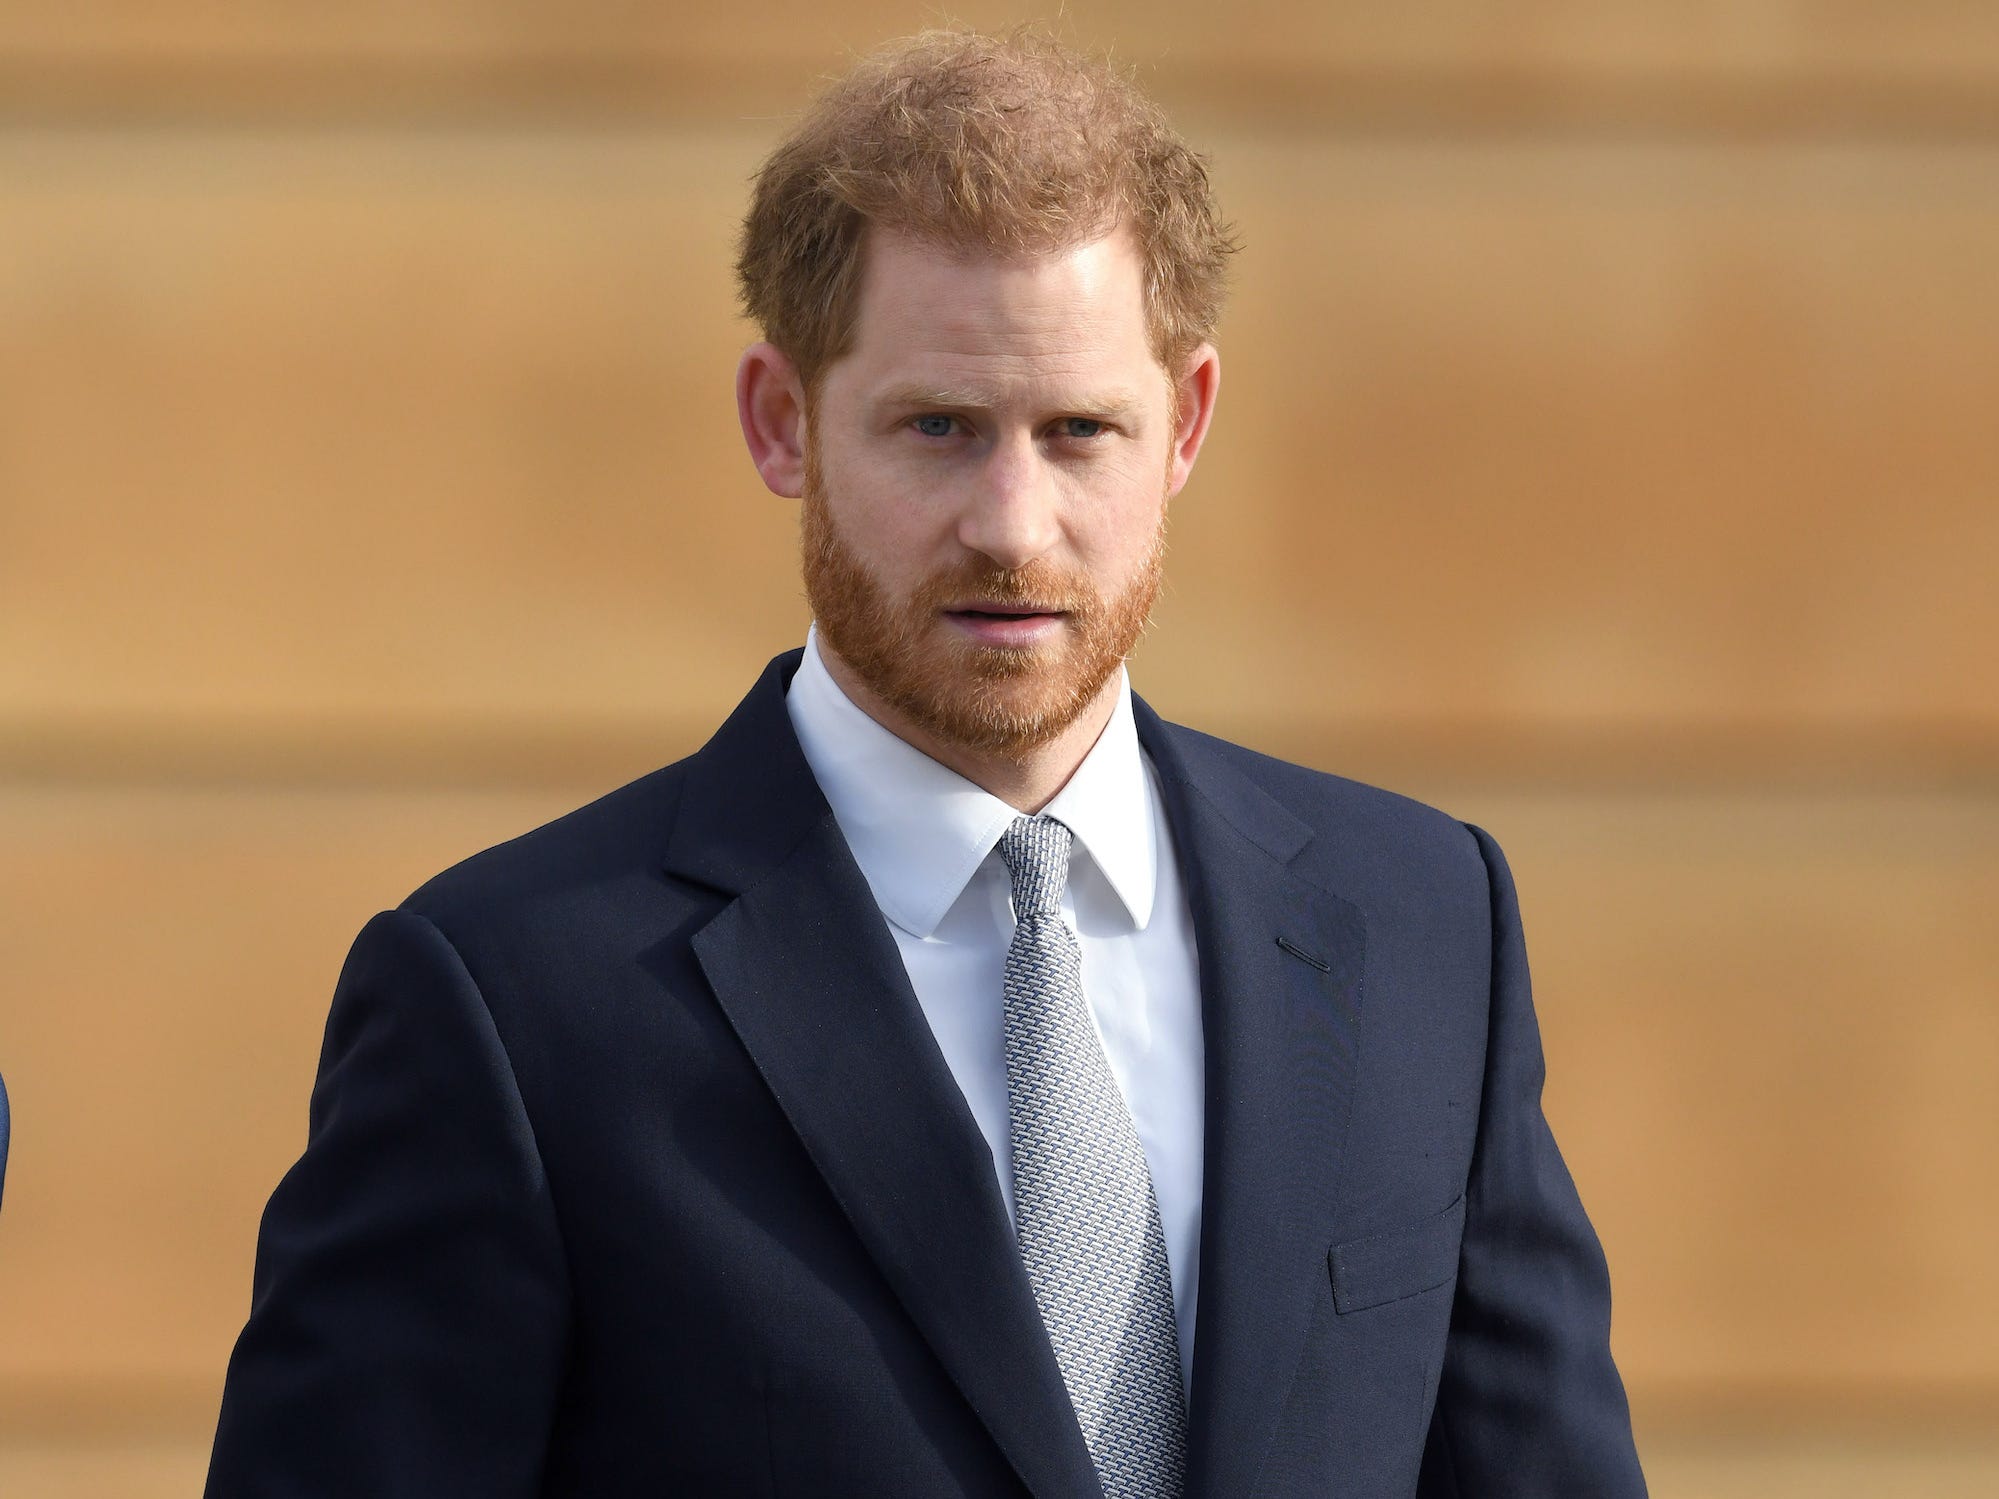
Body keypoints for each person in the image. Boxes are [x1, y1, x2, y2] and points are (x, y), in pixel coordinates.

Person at [206, 28, 1646, 1499]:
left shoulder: (1425, 928)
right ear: (784, 422)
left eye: (1081, 431)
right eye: (940, 429)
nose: (1013, 524)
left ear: (1187, 426)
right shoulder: (508, 1004)